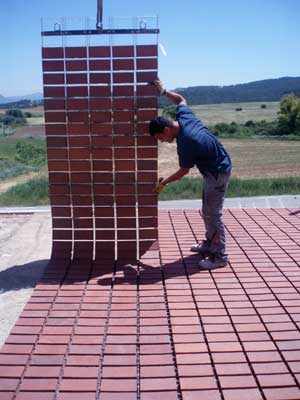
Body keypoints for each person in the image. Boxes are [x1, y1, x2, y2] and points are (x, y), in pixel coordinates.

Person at [149, 79, 232, 270]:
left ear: (167, 129)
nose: (162, 142)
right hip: (215, 169)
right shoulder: (184, 117)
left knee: (213, 214)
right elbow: (180, 100)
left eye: (160, 138)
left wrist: (164, 183)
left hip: (217, 172)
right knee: (208, 211)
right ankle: (210, 243)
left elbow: (184, 170)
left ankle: (220, 256)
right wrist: (163, 92)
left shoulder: (187, 142)